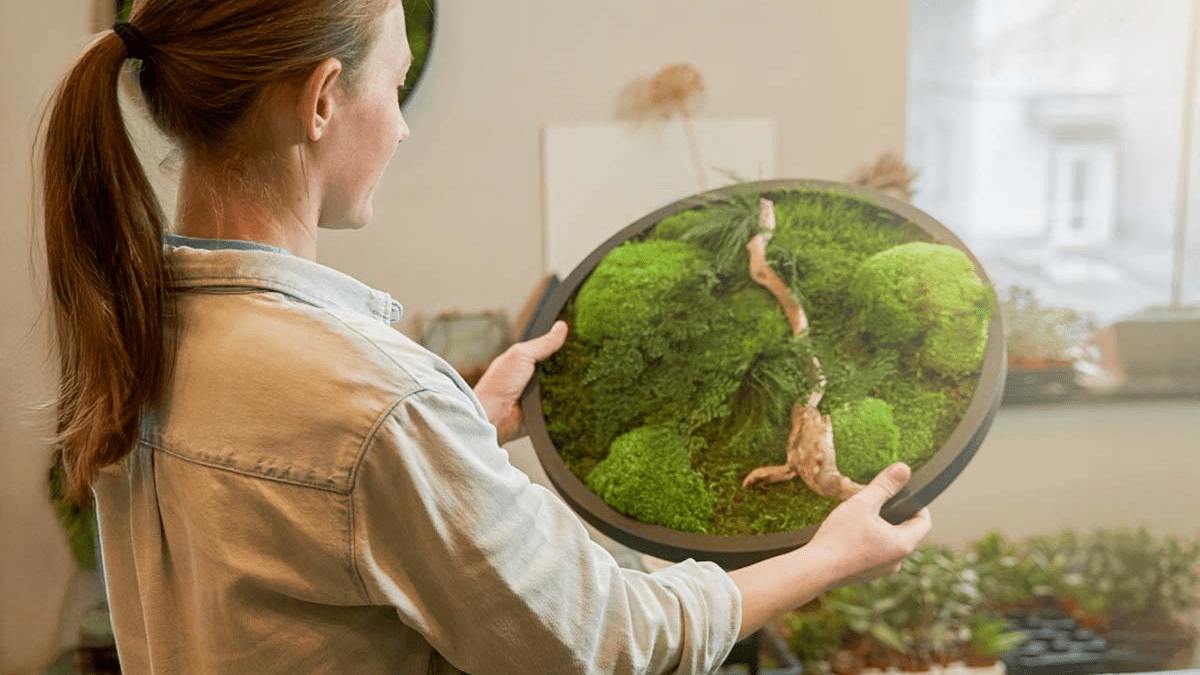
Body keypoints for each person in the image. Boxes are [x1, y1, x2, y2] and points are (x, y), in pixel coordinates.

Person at [39, 1, 932, 673]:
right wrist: (823, 558)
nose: (402, 125)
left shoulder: (146, 330)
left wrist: (457, 430)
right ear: (322, 101)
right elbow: (606, 639)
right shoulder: (376, 406)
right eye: (395, 85)